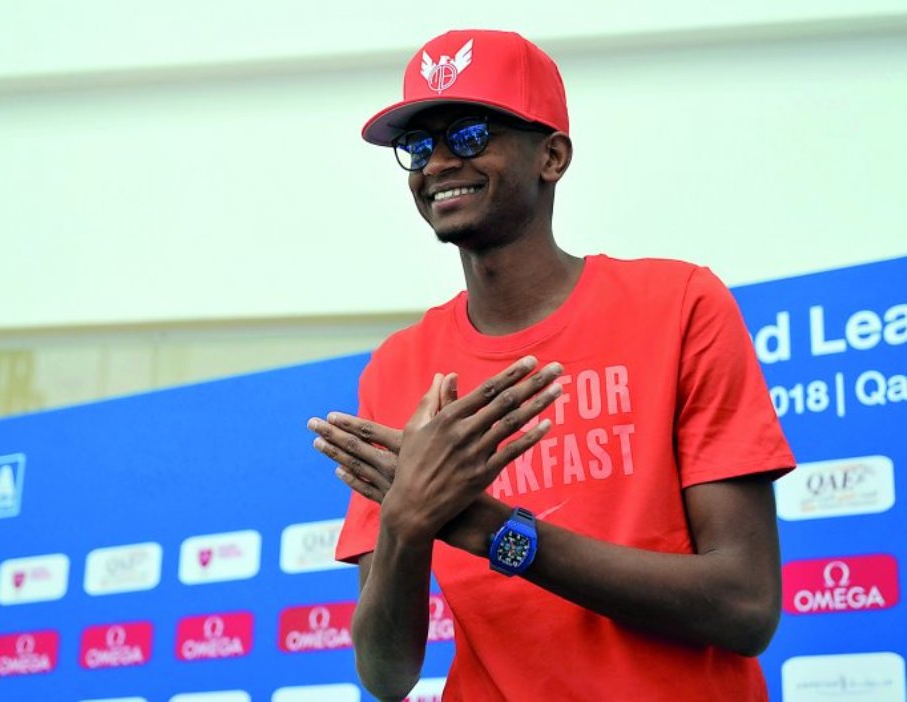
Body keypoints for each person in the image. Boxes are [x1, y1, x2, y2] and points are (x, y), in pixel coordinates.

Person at [308, 29, 795, 701]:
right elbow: (386, 675)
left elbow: (745, 606)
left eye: (471, 135)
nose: (438, 162)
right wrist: (406, 523)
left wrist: (491, 530)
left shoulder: (679, 304)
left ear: (552, 156)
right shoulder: (398, 367)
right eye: (418, 146)